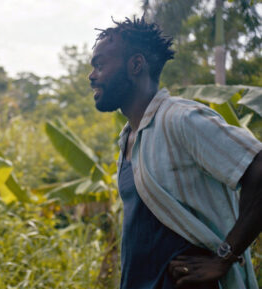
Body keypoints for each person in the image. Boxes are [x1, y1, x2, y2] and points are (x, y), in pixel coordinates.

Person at [88, 17, 261, 289]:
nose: (92, 75)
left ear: (135, 65)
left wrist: (224, 258)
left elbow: (259, 168)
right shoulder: (128, 138)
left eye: (100, 65)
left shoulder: (180, 119)